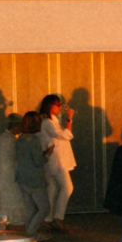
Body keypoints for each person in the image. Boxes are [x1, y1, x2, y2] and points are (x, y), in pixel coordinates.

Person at [0, 112, 38, 229]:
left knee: (6, 204)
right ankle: (5, 231)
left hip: (7, 176)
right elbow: (16, 157)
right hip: (9, 176)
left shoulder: (6, 138)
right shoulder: (7, 140)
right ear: (15, 125)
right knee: (8, 203)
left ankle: (4, 230)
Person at [33, 95, 76, 234]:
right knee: (67, 187)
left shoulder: (51, 121)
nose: (60, 107)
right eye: (57, 104)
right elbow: (66, 135)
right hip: (56, 161)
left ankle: (48, 219)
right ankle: (57, 218)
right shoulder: (47, 122)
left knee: (52, 189)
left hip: (55, 161)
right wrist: (69, 118)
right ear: (49, 106)